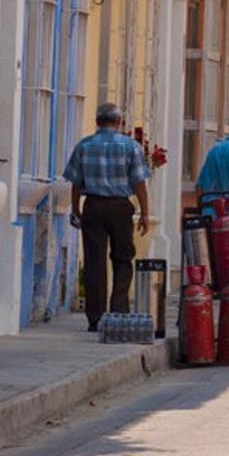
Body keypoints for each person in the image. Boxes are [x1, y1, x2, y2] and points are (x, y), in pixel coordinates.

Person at [64, 102, 150, 334]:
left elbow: (75, 182)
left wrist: (76, 209)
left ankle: (96, 317)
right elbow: (139, 183)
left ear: (97, 122)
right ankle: (119, 310)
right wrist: (145, 212)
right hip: (120, 207)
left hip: (93, 206)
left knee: (94, 261)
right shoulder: (131, 146)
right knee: (123, 257)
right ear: (119, 122)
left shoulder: (84, 146)